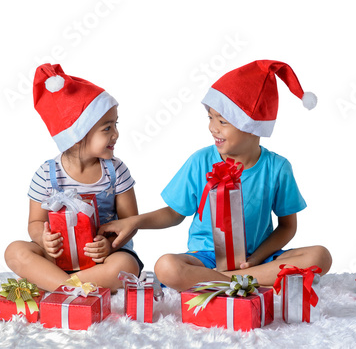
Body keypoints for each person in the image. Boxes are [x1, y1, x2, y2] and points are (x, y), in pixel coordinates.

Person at [99, 60, 332, 291]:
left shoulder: (277, 168)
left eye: (222, 121)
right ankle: (245, 281)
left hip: (257, 259)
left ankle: (229, 279)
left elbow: (287, 227)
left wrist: (255, 259)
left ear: (253, 127)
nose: (213, 128)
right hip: (205, 258)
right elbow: (174, 213)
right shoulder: (200, 161)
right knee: (166, 266)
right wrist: (134, 221)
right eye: (210, 117)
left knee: (320, 256)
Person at [4, 64, 143, 292]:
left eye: (115, 125)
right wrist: (43, 239)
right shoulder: (46, 174)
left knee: (125, 265)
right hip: (57, 259)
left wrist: (109, 245)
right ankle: (73, 286)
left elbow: (130, 222)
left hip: (101, 260)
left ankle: (60, 287)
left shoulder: (116, 171)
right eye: (107, 128)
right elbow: (35, 222)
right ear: (77, 137)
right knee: (14, 251)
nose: (116, 134)